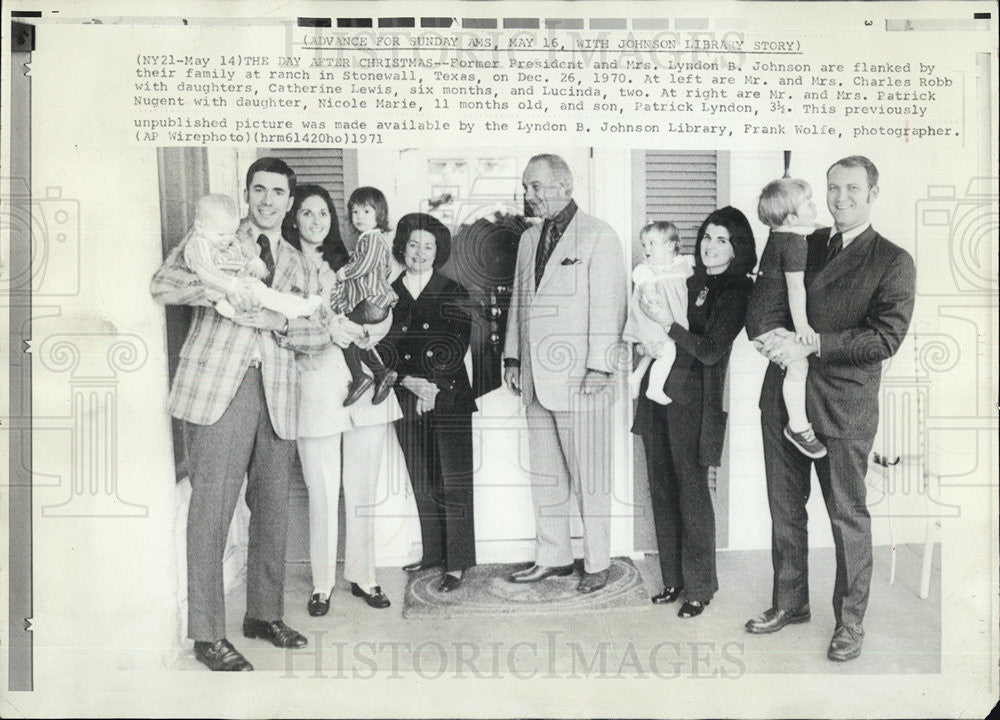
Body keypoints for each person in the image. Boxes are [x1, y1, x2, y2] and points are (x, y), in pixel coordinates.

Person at [150, 157, 330, 672]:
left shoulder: (302, 262)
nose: (268, 200)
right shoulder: (214, 237)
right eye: (259, 190)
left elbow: (319, 332)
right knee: (212, 511)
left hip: (278, 395)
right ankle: (207, 634)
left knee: (273, 509)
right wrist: (222, 289)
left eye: (278, 193)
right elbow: (162, 287)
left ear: (290, 202)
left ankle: (263, 615)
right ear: (246, 194)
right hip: (219, 392)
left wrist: (276, 317)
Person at [744, 155, 916, 662]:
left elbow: (885, 337)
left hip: (843, 406)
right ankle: (790, 603)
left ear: (873, 192)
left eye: (852, 189)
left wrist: (812, 346)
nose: (840, 198)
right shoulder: (802, 237)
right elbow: (769, 295)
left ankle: (850, 623)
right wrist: (771, 340)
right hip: (784, 398)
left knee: (846, 517)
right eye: (832, 188)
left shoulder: (893, 259)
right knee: (784, 509)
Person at [503, 154, 627, 594]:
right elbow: (521, 302)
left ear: (566, 186)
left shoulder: (599, 236)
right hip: (536, 378)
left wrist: (601, 367)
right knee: (546, 475)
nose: (529, 195)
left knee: (589, 478)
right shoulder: (527, 240)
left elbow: (610, 307)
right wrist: (513, 359)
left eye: (537, 187)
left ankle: (597, 563)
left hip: (583, 379)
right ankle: (553, 556)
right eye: (526, 187)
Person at [632, 207, 757, 619]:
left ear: (737, 247)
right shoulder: (687, 276)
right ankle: (673, 580)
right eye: (707, 236)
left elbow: (709, 350)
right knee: (661, 487)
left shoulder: (737, 290)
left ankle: (700, 587)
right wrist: (644, 341)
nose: (712, 245)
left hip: (695, 401)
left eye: (723, 239)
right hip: (659, 392)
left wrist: (667, 324)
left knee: (692, 491)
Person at [288, 184, 399, 615]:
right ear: (293, 217)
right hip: (315, 391)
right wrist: (325, 329)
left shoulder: (351, 261)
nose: (316, 222)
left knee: (363, 491)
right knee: (322, 491)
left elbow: (381, 311)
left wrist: (376, 329)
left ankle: (365, 577)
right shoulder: (280, 262)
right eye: (307, 213)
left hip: (366, 390)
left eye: (323, 214)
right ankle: (322, 584)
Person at [381, 213, 478, 592]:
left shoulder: (452, 290)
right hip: (406, 396)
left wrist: (433, 386)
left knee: (453, 480)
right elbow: (383, 347)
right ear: (402, 247)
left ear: (438, 251)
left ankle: (458, 562)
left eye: (428, 246)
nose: (420, 253)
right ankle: (434, 553)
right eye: (413, 245)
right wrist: (411, 382)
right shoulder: (389, 292)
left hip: (449, 396)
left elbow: (458, 342)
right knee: (423, 478)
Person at [746, 178, 825, 459]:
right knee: (799, 364)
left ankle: (798, 424)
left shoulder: (779, 233)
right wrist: (802, 326)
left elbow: (808, 226)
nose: (815, 206)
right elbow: (795, 287)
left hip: (759, 319)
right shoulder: (794, 243)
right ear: (791, 217)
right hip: (768, 322)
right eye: (809, 203)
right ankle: (798, 427)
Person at [181, 193, 323, 321]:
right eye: (221, 235)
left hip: (243, 280)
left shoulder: (226, 238)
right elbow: (206, 272)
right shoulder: (198, 244)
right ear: (200, 227)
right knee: (257, 299)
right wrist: (231, 286)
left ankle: (300, 306)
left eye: (231, 232)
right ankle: (294, 309)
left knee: (269, 295)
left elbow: (241, 250)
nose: (227, 239)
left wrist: (255, 261)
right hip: (222, 286)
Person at [334, 186, 398, 406]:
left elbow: (365, 264)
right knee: (358, 338)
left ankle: (360, 376)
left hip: (372, 304)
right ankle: (382, 373)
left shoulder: (372, 239)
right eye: (355, 212)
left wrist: (345, 273)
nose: (359, 217)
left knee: (342, 333)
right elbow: (383, 270)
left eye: (366, 211)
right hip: (375, 303)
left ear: (379, 214)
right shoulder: (372, 239)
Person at [624, 220, 695, 405]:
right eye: (644, 244)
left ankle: (636, 376)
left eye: (652, 243)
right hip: (652, 317)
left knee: (656, 350)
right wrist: (650, 293)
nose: (646, 248)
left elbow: (695, 266)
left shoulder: (681, 264)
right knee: (668, 351)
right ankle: (654, 389)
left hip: (668, 318)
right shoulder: (645, 269)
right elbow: (645, 288)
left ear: (671, 246)